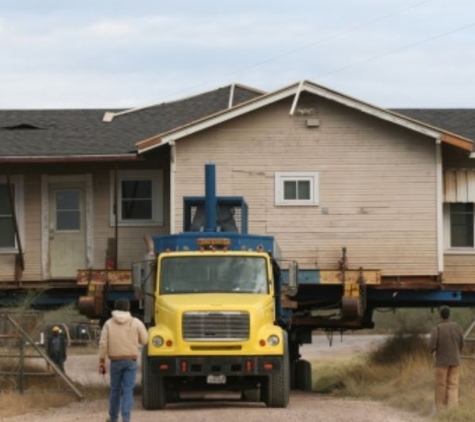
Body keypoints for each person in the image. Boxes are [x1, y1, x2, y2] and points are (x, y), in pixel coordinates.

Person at [99, 298, 148, 422]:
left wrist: (102, 360)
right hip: (130, 361)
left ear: (115, 308)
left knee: (115, 389)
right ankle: (126, 418)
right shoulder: (136, 322)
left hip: (115, 361)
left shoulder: (109, 323)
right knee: (128, 390)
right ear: (128, 308)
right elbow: (145, 340)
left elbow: (103, 343)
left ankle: (113, 418)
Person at [429, 306, 464, 410]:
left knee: (441, 385)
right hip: (455, 361)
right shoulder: (458, 327)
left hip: (442, 362)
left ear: (440, 315)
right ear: (449, 315)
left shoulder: (437, 328)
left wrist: (433, 353)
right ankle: (452, 409)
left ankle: (440, 409)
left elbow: (432, 346)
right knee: (453, 385)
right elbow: (462, 344)